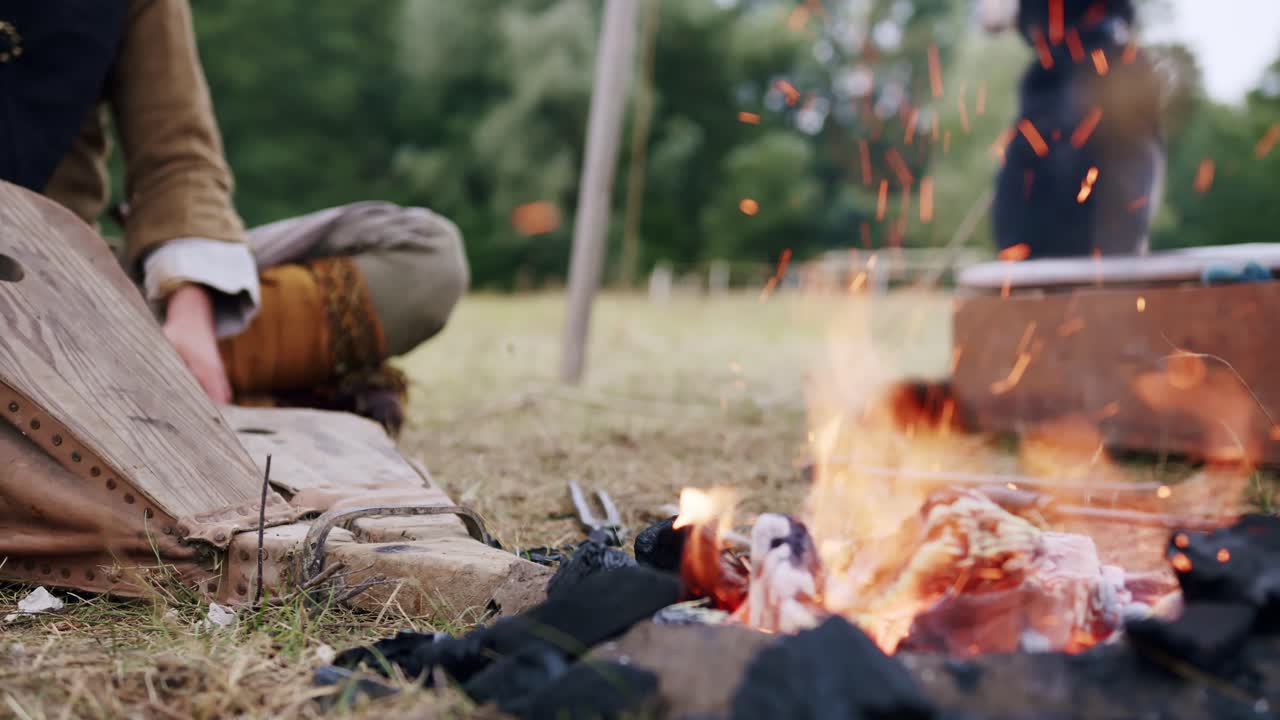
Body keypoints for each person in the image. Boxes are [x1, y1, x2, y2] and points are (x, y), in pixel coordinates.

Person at [0, 0, 468, 435]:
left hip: (73, 296)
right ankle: (221, 397)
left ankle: (170, 382)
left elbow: (177, 161)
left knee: (424, 261)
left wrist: (190, 307)